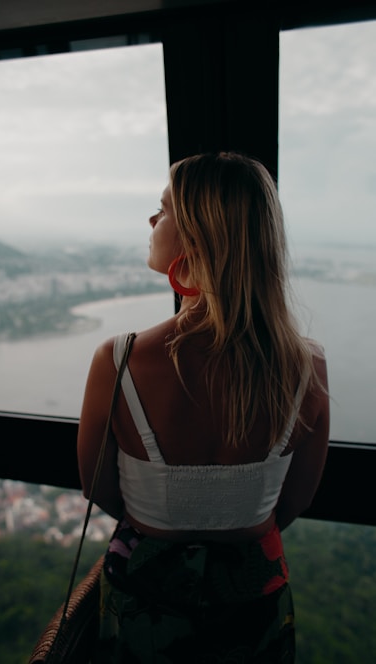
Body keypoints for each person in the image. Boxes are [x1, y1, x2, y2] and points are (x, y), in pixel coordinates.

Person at [77, 151, 329, 663]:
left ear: (197, 237)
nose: (152, 220)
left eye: (164, 209)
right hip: (254, 603)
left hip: (144, 601)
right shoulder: (307, 367)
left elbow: (98, 486)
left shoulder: (119, 361)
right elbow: (295, 502)